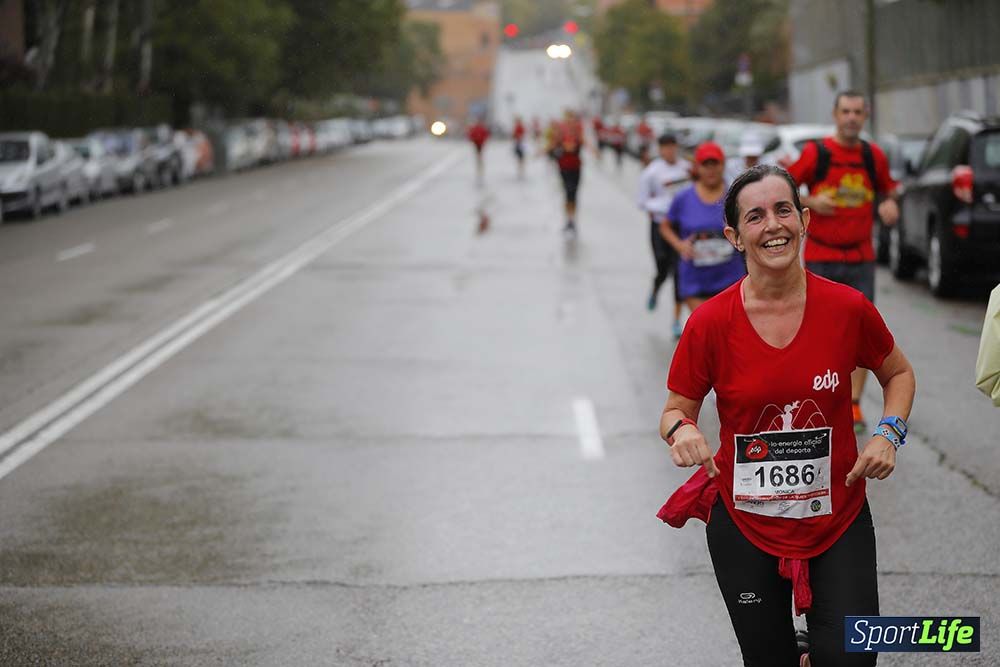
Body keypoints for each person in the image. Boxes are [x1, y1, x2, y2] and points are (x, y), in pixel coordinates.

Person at [657, 164, 916, 667]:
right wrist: (682, 431)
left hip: (837, 517)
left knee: (853, 657)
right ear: (735, 237)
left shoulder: (847, 308)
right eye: (755, 217)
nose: (773, 225)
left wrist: (889, 432)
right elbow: (674, 410)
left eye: (783, 210)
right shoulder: (710, 322)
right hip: (744, 522)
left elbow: (899, 373)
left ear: (804, 221)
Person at [787, 90, 900, 433]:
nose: (851, 118)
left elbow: (888, 190)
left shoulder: (872, 155)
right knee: (817, 331)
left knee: (860, 332)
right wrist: (810, 200)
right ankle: (819, 399)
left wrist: (889, 205)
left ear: (865, 116)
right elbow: (783, 188)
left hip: (861, 257)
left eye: (857, 112)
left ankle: (852, 403)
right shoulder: (817, 153)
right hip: (822, 256)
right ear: (835, 115)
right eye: (846, 111)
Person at [659, 141, 745, 315]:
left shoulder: (735, 197)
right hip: (695, 279)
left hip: (731, 277)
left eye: (715, 164)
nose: (711, 170)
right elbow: (665, 226)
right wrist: (680, 245)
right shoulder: (683, 197)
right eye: (706, 164)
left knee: (727, 326)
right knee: (706, 324)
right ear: (697, 167)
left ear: (723, 165)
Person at [636, 133, 691, 337]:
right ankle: (655, 288)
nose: (670, 151)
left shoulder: (687, 168)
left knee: (679, 272)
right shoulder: (651, 172)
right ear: (660, 149)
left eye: (672, 146)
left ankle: (676, 320)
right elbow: (641, 202)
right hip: (660, 225)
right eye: (666, 147)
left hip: (680, 227)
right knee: (662, 267)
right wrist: (665, 206)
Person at [549, 110, 586, 236]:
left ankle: (573, 219)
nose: (570, 121)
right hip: (564, 167)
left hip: (576, 167)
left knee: (574, 194)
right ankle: (568, 219)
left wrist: (595, 152)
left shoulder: (578, 133)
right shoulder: (560, 133)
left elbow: (584, 143)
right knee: (567, 192)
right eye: (567, 119)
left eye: (572, 119)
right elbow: (552, 145)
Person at [467, 117, 490, 185]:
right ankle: (479, 166)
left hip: (479, 143)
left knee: (479, 157)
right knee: (479, 157)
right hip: (478, 143)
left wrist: (482, 141)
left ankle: (480, 167)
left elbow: (485, 135)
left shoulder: (479, 128)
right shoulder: (477, 128)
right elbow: (471, 135)